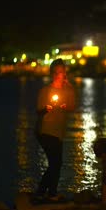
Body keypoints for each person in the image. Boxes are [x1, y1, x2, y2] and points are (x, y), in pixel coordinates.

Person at [34, 59, 75, 200]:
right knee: (56, 163)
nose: (59, 75)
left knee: (55, 163)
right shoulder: (45, 90)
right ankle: (50, 193)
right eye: (57, 72)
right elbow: (38, 111)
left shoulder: (67, 90)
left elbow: (72, 106)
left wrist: (66, 105)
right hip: (45, 130)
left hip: (58, 132)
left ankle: (42, 192)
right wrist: (46, 109)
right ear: (52, 73)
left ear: (65, 73)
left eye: (62, 72)